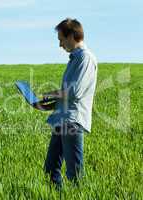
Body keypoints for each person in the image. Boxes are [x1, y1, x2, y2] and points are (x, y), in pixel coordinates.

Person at [35, 18, 98, 188]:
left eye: (61, 40)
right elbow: (67, 98)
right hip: (62, 120)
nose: (60, 45)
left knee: (74, 175)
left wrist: (50, 93)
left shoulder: (85, 59)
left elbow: (74, 93)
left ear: (71, 36)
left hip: (72, 123)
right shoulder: (75, 59)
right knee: (50, 170)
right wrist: (45, 105)